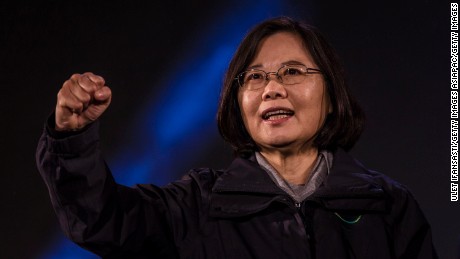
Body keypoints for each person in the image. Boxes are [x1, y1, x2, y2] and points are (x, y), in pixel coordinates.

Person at [36, 17, 437, 258]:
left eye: (294, 72)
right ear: (237, 102)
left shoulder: (388, 209)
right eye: (256, 77)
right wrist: (72, 138)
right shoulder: (195, 208)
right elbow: (101, 220)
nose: (272, 88)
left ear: (332, 96)